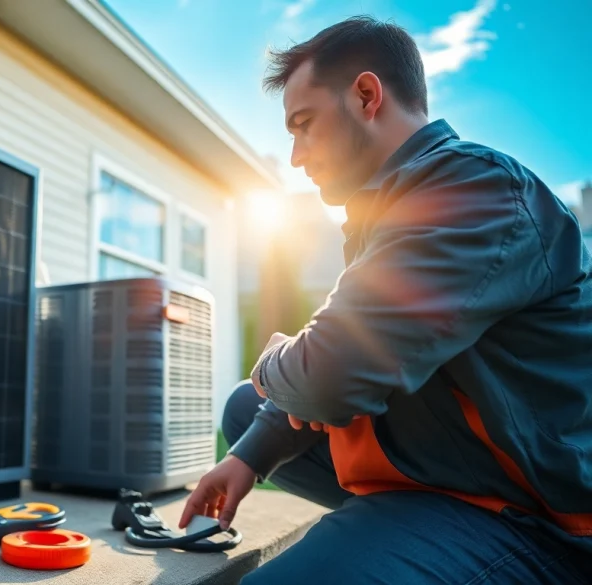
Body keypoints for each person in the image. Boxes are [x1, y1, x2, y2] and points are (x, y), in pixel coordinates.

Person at [179, 15, 592, 584]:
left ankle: (412, 542)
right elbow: (337, 355)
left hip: (534, 518)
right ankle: (393, 533)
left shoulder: (474, 190)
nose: (295, 156)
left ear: (366, 96)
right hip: (452, 467)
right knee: (246, 412)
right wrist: (245, 456)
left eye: (304, 124)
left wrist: (275, 361)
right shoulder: (392, 210)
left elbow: (326, 378)